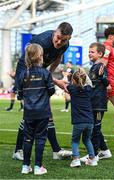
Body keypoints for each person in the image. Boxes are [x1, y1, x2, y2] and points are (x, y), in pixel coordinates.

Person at [12, 22, 73, 161]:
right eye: (58, 38)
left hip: (40, 72)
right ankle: (18, 150)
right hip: (27, 73)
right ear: (54, 33)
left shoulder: (65, 44)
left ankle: (55, 150)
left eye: (64, 40)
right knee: (33, 113)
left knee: (44, 112)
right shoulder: (41, 42)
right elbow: (30, 65)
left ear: (69, 38)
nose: (59, 42)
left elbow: (57, 59)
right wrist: (54, 80)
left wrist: (49, 74)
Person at [19, 44, 55, 175]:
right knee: (40, 139)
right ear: (40, 56)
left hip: (28, 112)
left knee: (27, 139)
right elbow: (51, 90)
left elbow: (20, 94)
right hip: (43, 112)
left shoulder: (22, 74)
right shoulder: (45, 73)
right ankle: (38, 167)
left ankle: (25, 166)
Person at [67, 68, 98, 167]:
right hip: (89, 121)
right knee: (87, 140)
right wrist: (82, 73)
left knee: (75, 141)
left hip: (78, 122)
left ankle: (76, 159)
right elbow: (88, 81)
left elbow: (66, 85)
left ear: (74, 80)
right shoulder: (88, 89)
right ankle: (93, 159)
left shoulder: (72, 89)